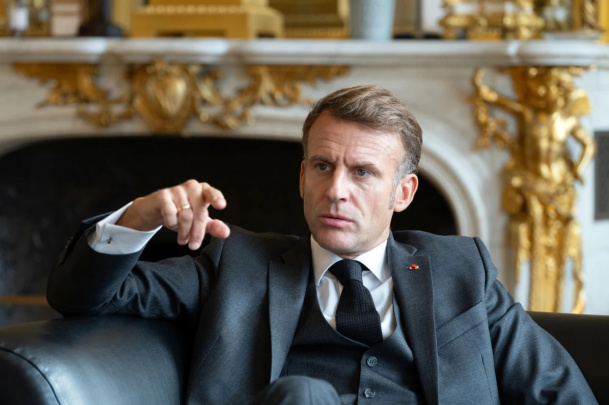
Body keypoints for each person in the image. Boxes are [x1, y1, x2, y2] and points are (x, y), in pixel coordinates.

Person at [47, 85, 596, 404]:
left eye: (363, 173)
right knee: (303, 396)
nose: (336, 190)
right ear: (302, 177)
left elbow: (559, 390)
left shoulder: (461, 270)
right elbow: (82, 297)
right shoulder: (235, 263)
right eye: (323, 166)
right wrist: (138, 218)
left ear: (403, 193)